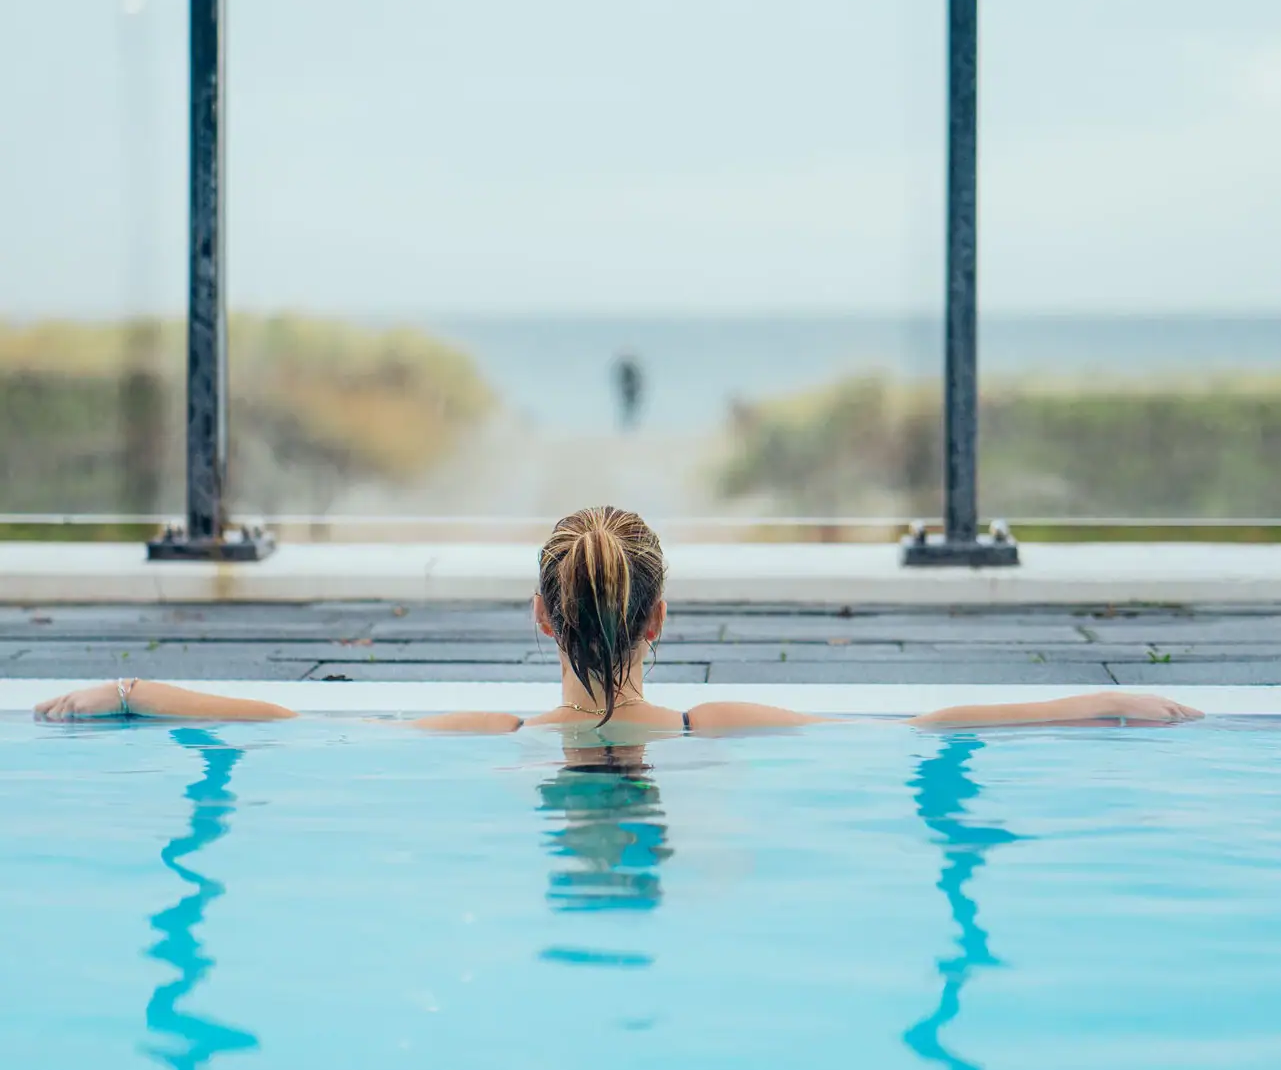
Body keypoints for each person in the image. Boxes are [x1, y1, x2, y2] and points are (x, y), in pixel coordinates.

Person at [34, 506, 1203, 731]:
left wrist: (129, 689)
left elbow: (274, 714)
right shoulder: (718, 725)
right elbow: (940, 720)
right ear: (657, 621)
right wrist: (1105, 698)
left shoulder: (480, 738)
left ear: (544, 618)